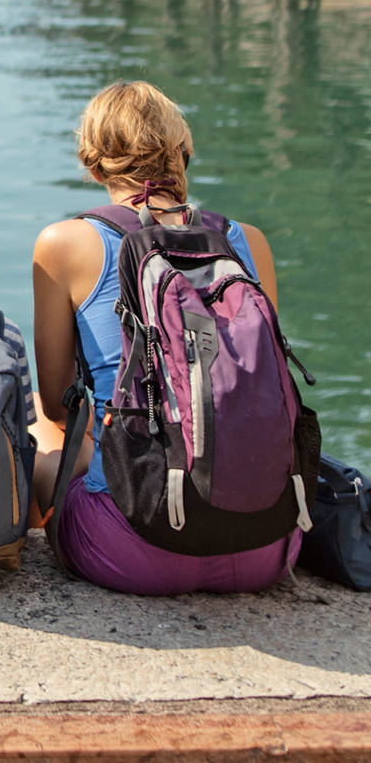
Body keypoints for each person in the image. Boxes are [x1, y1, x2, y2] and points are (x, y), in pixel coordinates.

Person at [32, 78, 300, 593]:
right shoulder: (247, 242)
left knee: (42, 430)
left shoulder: (63, 243)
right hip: (266, 548)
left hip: (135, 550)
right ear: (184, 155)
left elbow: (58, 404)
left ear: (92, 165)